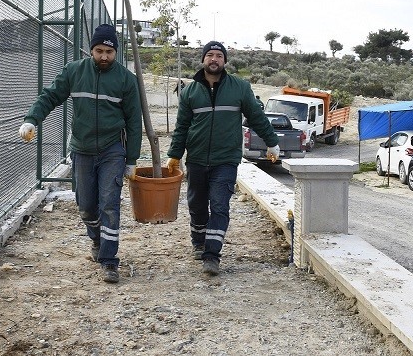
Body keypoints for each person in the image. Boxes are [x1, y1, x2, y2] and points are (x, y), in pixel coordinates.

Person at [18, 24, 141, 284]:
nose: (104, 56)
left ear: (116, 52)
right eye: (99, 51)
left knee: (109, 204)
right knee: (86, 206)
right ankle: (96, 240)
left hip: (112, 150)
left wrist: (131, 159)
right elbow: (50, 96)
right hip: (82, 149)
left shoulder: (126, 80)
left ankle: (109, 261)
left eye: (109, 51)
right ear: (91, 50)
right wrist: (31, 119)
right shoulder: (74, 71)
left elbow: (133, 122)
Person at [166, 41, 280, 276]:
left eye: (219, 55)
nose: (214, 59)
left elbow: (256, 117)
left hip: (225, 160)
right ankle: (198, 242)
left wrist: (272, 143)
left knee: (219, 206)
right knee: (197, 205)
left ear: (225, 61)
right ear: (203, 59)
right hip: (196, 158)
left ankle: (212, 255)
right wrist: (174, 155)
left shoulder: (240, 88)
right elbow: (182, 127)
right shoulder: (189, 92)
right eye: (210, 55)